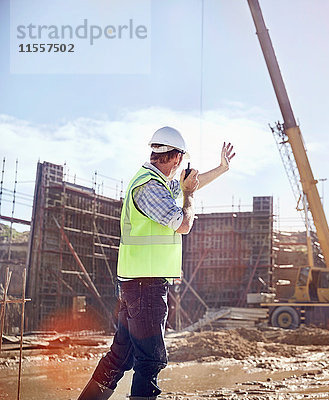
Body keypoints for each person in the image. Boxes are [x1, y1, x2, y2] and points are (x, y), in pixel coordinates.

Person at [78, 126, 235, 400]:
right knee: (150, 361)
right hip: (145, 287)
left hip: (135, 285)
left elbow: (190, 184)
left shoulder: (155, 183)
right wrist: (189, 196)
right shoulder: (150, 188)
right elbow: (184, 224)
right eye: (181, 162)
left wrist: (221, 169)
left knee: (121, 356)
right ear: (175, 158)